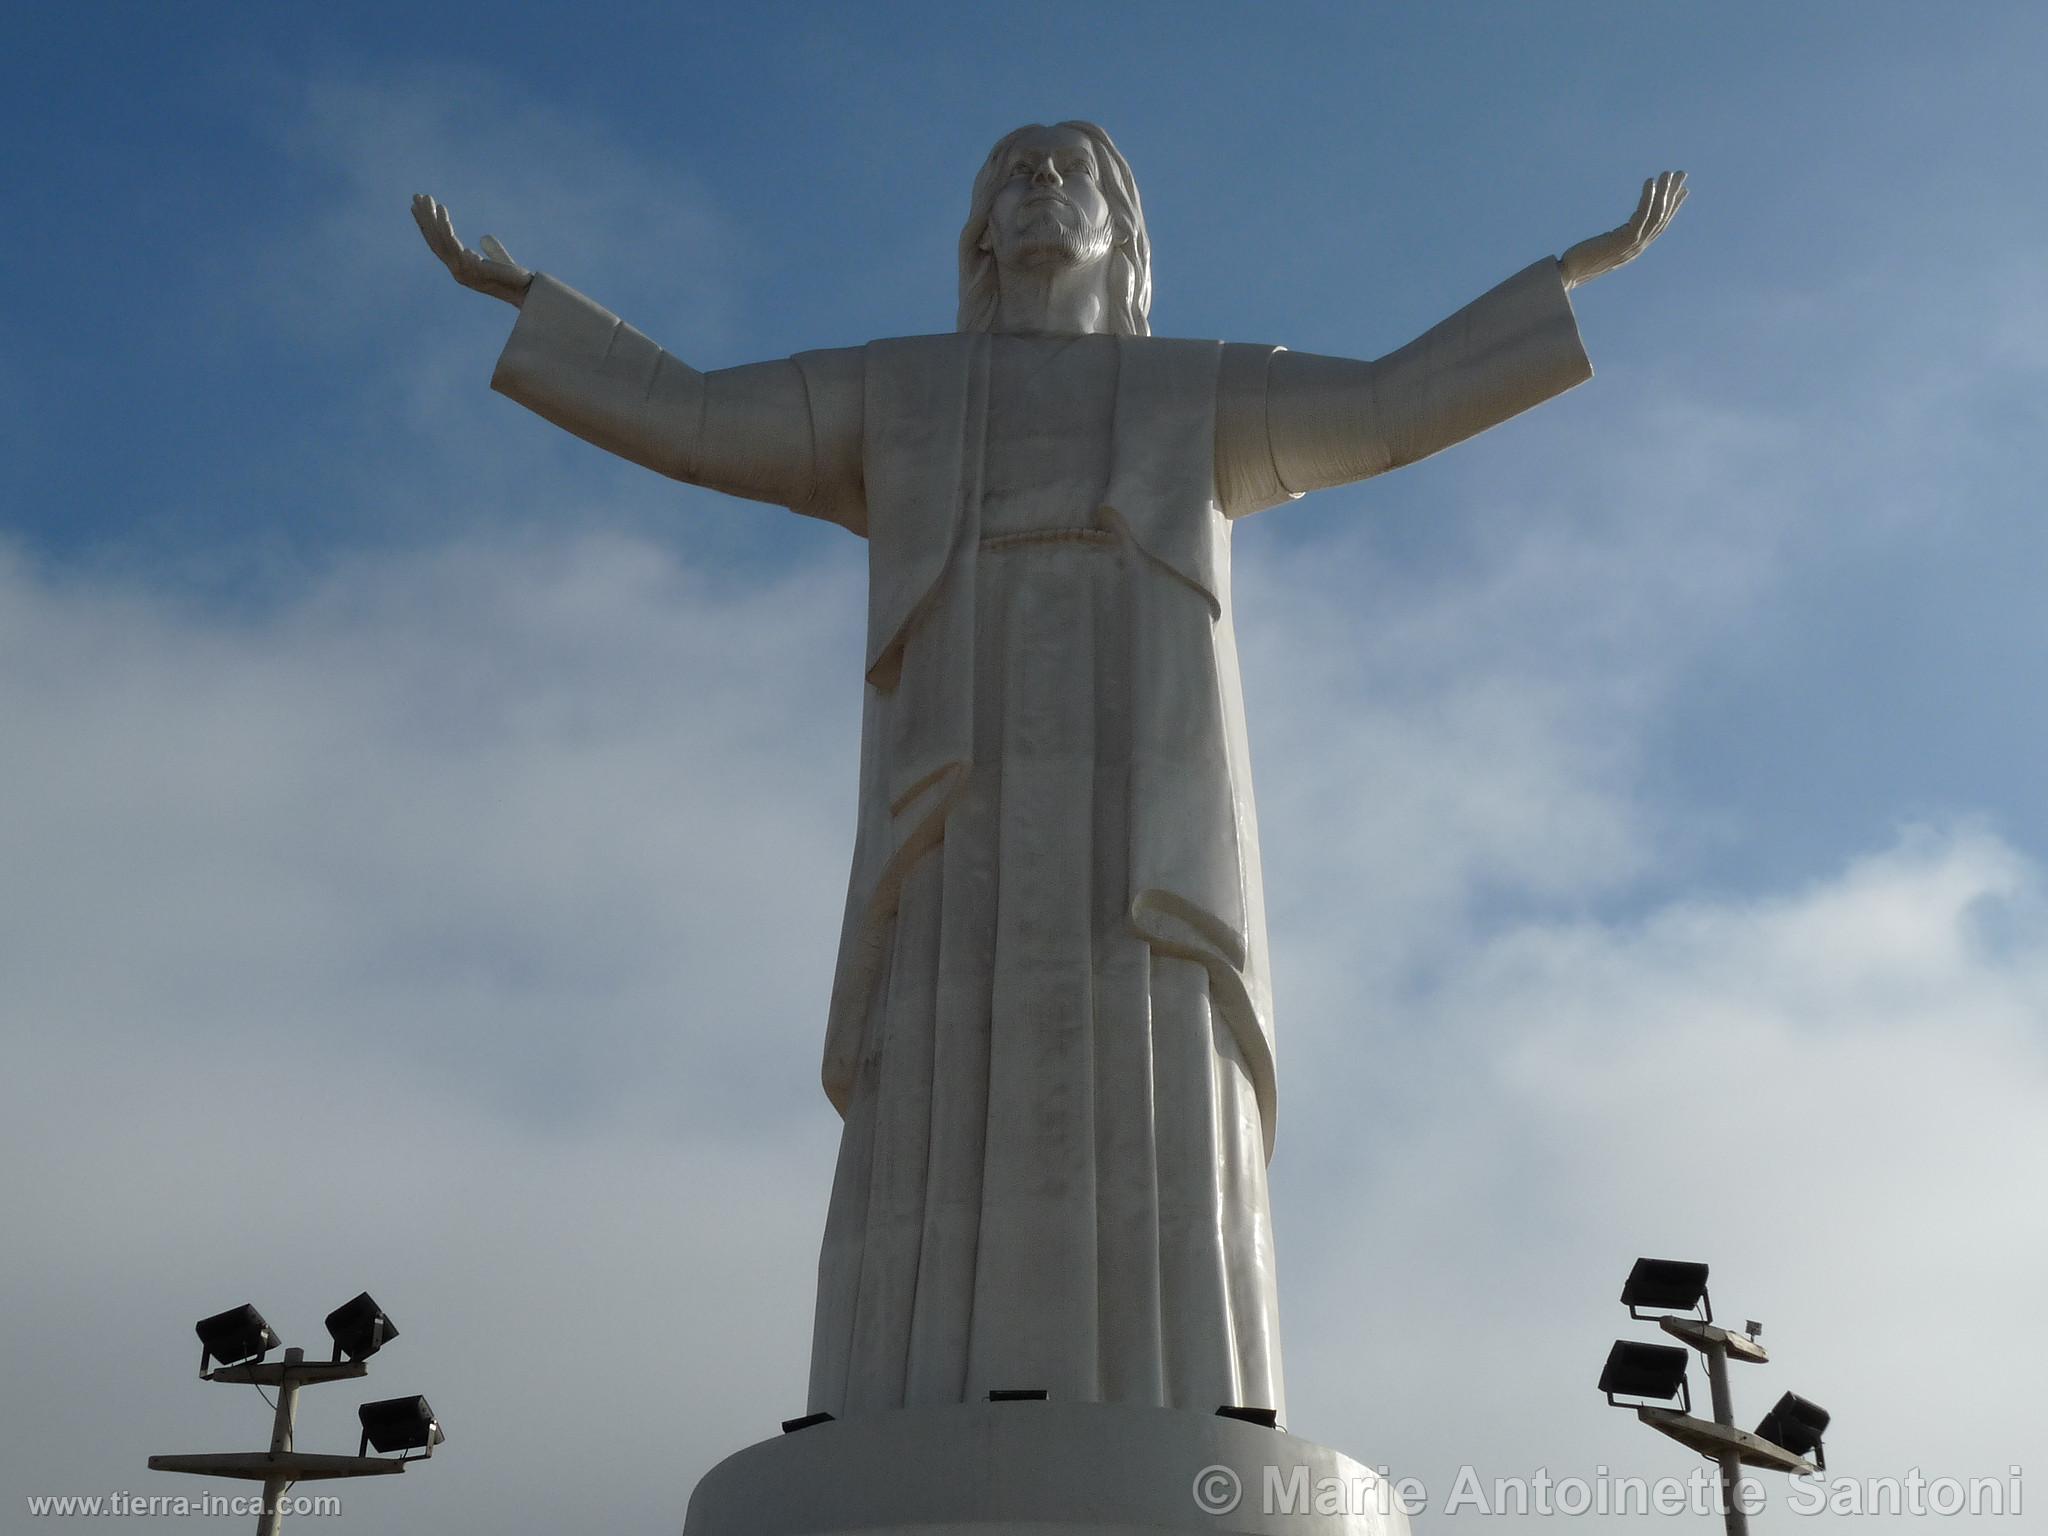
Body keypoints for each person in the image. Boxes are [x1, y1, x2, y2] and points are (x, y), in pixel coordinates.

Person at [414, 121, 1685, 1422]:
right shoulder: (899, 392)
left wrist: (1563, 281)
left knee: (1147, 1015)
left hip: (1144, 774)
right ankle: (907, 1396)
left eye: (1071, 172)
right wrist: (537, 307)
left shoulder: (1196, 391)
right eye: (1010, 174)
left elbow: (1383, 405)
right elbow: (691, 416)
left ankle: (1179, 1393)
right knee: (942, 1039)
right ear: (976, 235)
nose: (1037, 188)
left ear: (1126, 233)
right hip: (958, 776)